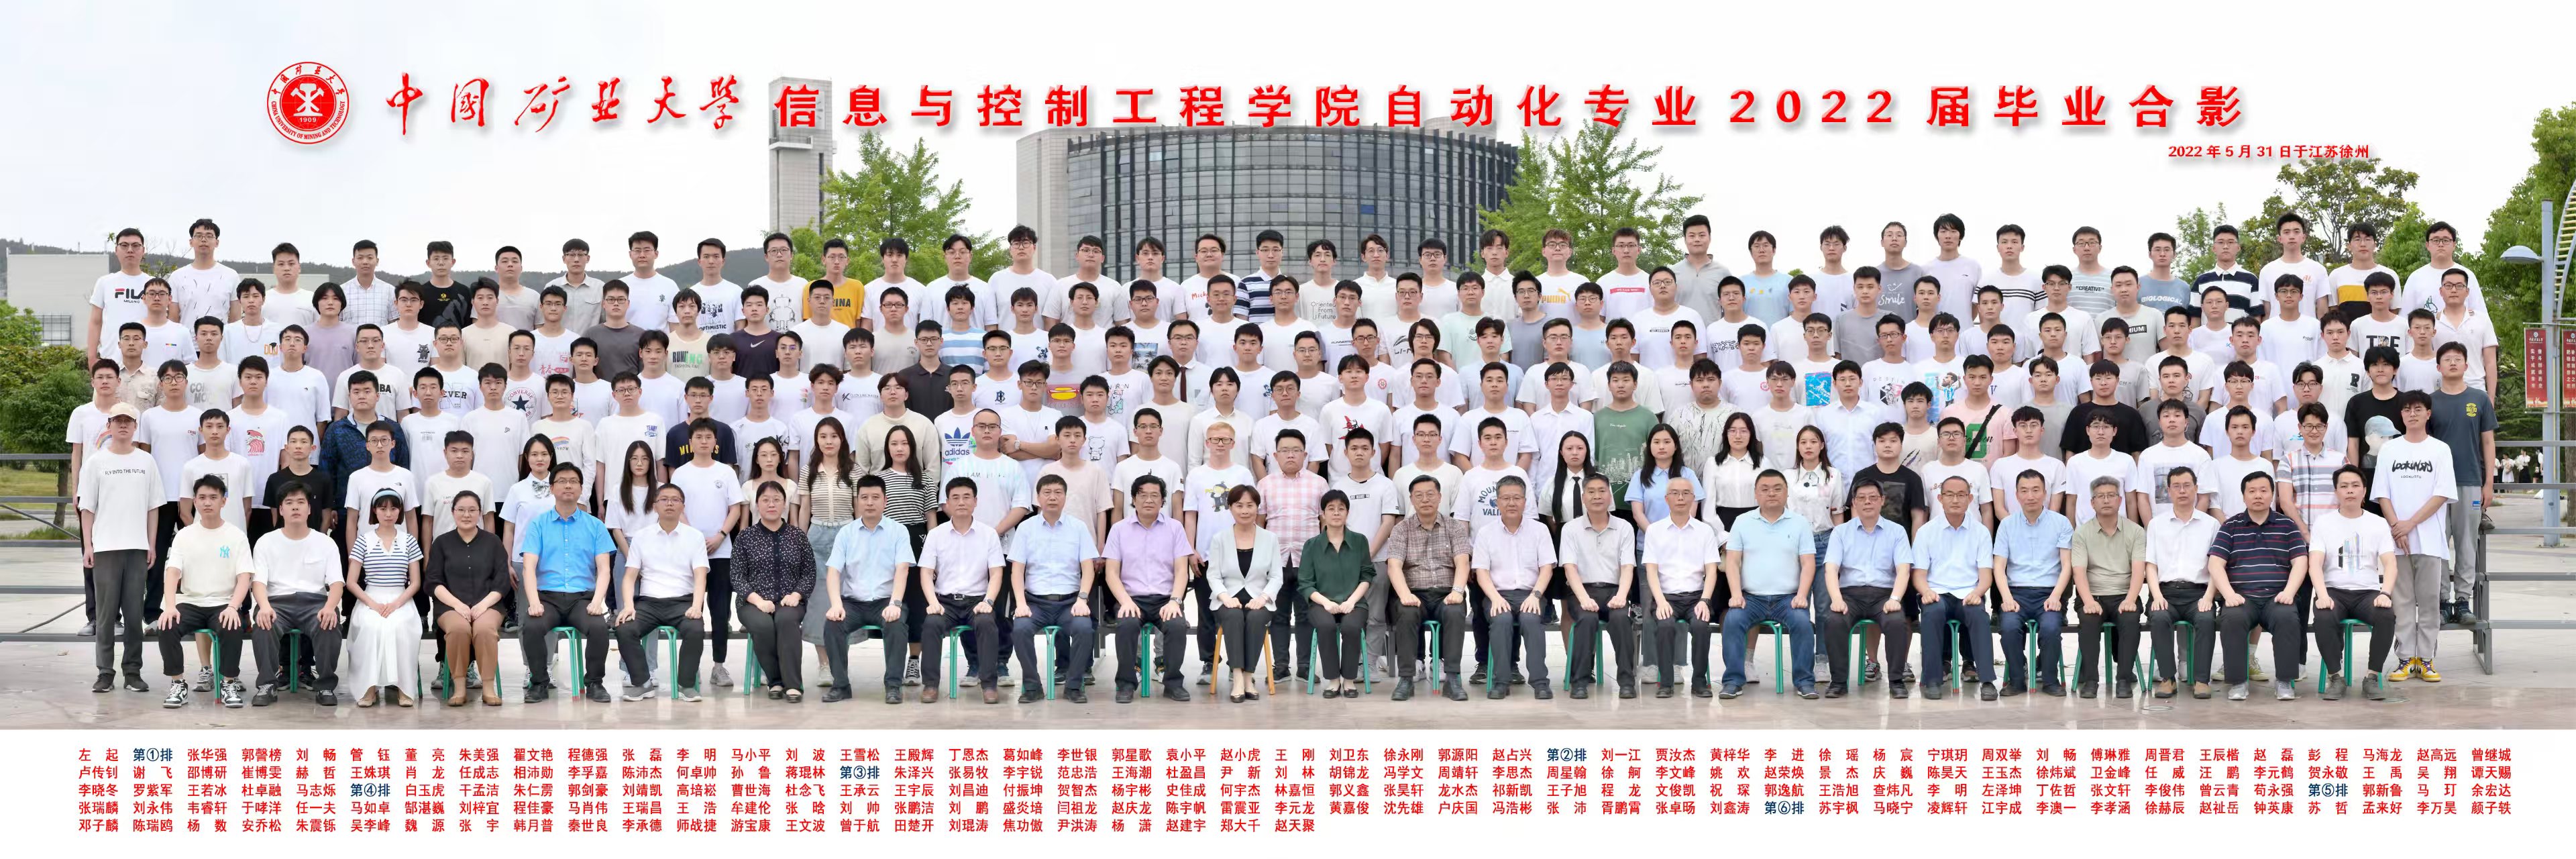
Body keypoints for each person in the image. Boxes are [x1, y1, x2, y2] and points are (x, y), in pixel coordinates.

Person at [2373, 391, 2457, 683]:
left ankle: (2427, 659)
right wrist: (2397, 527)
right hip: (2397, 541)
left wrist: (2410, 524)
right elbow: (2382, 494)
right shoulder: (2389, 449)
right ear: (2401, 415)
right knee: (2402, 602)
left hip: (2429, 540)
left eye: (2418, 409)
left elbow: (2442, 494)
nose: (2412, 414)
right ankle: (2406, 658)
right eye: (2407, 409)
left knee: (2430, 601)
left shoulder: (2440, 450)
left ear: (2428, 414)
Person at [516, 462, 616, 702]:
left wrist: (598, 602)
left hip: (581, 600)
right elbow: (529, 567)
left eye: (573, 481)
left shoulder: (595, 526)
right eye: (562, 481)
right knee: (531, 626)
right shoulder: (538, 525)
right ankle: (539, 683)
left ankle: (595, 683)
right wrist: (534, 602)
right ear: (552, 488)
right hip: (547, 598)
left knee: (599, 627)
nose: (568, 485)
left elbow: (604, 569)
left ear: (581, 488)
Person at [2207, 472, 2311, 701]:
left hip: (2278, 596)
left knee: (2287, 617)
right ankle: (2238, 682)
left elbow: (2301, 561)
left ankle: (2285, 681)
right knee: (2232, 618)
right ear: (2244, 496)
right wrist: (2229, 595)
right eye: (2252, 491)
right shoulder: (2231, 526)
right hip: (2242, 597)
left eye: (2264, 491)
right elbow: (2215, 563)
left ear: (2272, 495)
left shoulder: (2287, 525)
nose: (2258, 495)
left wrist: (2289, 592)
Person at [1719, 470, 1818, 699]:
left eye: (1777, 488)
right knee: (1732, 621)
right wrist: (1736, 594)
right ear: (1756, 494)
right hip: (1751, 598)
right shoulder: (1742, 522)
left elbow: (1808, 563)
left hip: (1788, 598)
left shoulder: (1800, 523)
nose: (1771, 493)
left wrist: (1802, 595)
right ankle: (1733, 681)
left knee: (1803, 623)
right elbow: (1732, 562)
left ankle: (1804, 681)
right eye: (1764, 489)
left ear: (1787, 492)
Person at [821, 474, 917, 704]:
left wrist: (895, 603)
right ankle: (841, 686)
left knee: (896, 624)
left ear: (885, 501)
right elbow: (833, 571)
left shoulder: (899, 531)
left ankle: (893, 686)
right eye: (864, 497)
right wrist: (836, 605)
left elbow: (902, 569)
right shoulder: (846, 533)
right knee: (832, 625)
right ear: (857, 501)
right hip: (853, 603)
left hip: (886, 601)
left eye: (875, 497)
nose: (870, 502)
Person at [1102, 474, 1195, 703]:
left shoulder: (1175, 528)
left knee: (1176, 625)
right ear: (1134, 499)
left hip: (1166, 599)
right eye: (1143, 495)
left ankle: (1173, 683)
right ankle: (1125, 684)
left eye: (1155, 495)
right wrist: (1125, 601)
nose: (1149, 500)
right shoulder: (1119, 529)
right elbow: (1111, 573)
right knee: (1126, 624)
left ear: (1163, 500)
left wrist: (1175, 601)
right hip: (1131, 598)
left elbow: (1182, 571)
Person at [1007, 473, 1100, 703]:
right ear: (1038, 498)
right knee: (1020, 629)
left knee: (1084, 628)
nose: (1052, 497)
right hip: (1036, 603)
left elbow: (1088, 569)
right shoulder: (1026, 528)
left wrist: (1082, 599)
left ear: (1065, 498)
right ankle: (1032, 687)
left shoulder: (1078, 527)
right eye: (1047, 493)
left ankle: (1074, 686)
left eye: (1058, 493)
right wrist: (1021, 604)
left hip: (1070, 602)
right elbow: (1017, 571)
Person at [2310, 465, 2400, 701]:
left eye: (2355, 485)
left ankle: (2372, 677)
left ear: (2364, 491)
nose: (2350, 490)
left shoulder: (2378, 523)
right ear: (2336, 492)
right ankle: (2336, 677)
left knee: (2386, 615)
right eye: (2344, 486)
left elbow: (2390, 564)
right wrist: (2322, 595)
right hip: (2333, 591)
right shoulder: (2323, 523)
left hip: (2367, 593)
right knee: (2323, 616)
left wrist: (2385, 593)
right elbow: (2314, 564)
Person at [1382, 475, 1474, 702]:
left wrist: (1458, 591)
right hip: (1415, 594)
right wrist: (1405, 595)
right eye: (1419, 495)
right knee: (1406, 612)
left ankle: (1452, 678)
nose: (1425, 500)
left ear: (1440, 497)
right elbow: (1394, 566)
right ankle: (1406, 679)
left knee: (1455, 612)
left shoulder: (1454, 527)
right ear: (1411, 499)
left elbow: (1463, 562)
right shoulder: (1401, 529)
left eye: (1430, 494)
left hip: (1447, 593)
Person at [918, 477, 1008, 704]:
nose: (961, 502)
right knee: (931, 624)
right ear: (947, 503)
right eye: (955, 498)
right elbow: (926, 573)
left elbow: (996, 573)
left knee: (987, 623)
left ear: (975, 501)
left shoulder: (988, 534)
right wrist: (933, 602)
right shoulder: (936, 534)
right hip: (945, 602)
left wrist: (988, 601)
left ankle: (989, 685)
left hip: (976, 601)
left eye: (967, 497)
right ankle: (930, 685)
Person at [1820, 481, 1913, 699]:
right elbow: (1831, 569)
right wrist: (1836, 599)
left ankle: (1896, 681)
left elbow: (1904, 570)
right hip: (1850, 595)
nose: (1867, 502)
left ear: (1882, 500)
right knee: (1833, 620)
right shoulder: (1841, 532)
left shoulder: (1896, 531)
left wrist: (1895, 598)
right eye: (1861, 498)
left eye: (1873, 497)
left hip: (1884, 596)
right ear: (1853, 503)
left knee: (1897, 622)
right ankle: (1839, 682)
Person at [2426, 342, 2496, 626]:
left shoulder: (2479, 399)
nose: (2453, 363)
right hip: (2436, 487)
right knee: (2439, 543)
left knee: (2467, 543)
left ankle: (2463, 600)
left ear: (2467, 366)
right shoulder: (2429, 403)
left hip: (2470, 482)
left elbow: (2488, 442)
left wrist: (2489, 483)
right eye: (2447, 359)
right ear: (2438, 367)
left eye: (2458, 359)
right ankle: (2443, 601)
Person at [1912, 476, 1997, 701]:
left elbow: (1986, 576)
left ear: (1970, 499)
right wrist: (1926, 592)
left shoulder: (1980, 532)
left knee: (1979, 616)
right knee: (1932, 613)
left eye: (1961, 495)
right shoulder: (1926, 532)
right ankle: (1932, 679)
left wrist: (1977, 593)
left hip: (1969, 593)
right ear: (1940, 499)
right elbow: (1918, 575)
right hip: (1936, 592)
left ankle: (1987, 680)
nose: (1955, 500)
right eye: (1949, 495)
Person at [1991, 470, 2075, 697]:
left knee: (2051, 629)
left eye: (2036, 490)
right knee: (2009, 628)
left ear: (2045, 493)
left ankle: (2050, 680)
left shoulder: (2061, 523)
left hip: (2049, 593)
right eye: (2025, 491)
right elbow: (1999, 566)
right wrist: (2007, 598)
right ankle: (2017, 680)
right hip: (2016, 593)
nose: (2031, 496)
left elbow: (2067, 565)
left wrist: (2056, 596)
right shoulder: (2007, 525)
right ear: (2017, 495)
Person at [2143, 467, 2222, 699]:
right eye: (2176, 486)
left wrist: (2209, 597)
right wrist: (2157, 596)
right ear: (2169, 491)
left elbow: (2216, 566)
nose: (2182, 491)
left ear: (2196, 489)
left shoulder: (2211, 525)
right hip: (2165, 592)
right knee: (2159, 618)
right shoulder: (2156, 524)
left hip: (2199, 593)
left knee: (2206, 619)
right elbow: (2151, 565)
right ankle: (2168, 679)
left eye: (2187, 486)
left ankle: (2201, 680)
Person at [1642, 475, 1724, 698]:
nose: (1681, 498)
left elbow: (1712, 570)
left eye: (1686, 493)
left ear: (1693, 499)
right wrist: (1660, 602)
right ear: (1667, 499)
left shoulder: (1704, 531)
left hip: (1697, 596)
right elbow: (1651, 570)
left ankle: (1699, 683)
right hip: (1666, 596)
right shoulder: (1655, 531)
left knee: (1701, 626)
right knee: (1665, 625)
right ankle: (1666, 683)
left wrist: (1705, 601)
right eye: (1675, 493)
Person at [426, 491, 509, 707]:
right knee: (458, 629)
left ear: (480, 513)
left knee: (485, 630)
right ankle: (460, 686)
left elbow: (502, 582)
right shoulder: (442, 543)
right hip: (450, 606)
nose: (466, 515)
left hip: (488, 604)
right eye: (461, 510)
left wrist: (483, 605)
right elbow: (433, 582)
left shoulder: (493, 542)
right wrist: (457, 605)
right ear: (453, 512)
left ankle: (488, 687)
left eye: (472, 510)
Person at [2068, 476, 2147, 699]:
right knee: (2089, 620)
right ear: (2092, 503)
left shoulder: (2136, 531)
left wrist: (2131, 599)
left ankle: (2124, 679)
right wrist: (2088, 601)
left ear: (2120, 500)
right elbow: (2079, 572)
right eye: (2100, 496)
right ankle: (2091, 680)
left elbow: (2138, 570)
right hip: (2093, 595)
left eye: (2111, 495)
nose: (2106, 500)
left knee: (2130, 620)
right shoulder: (2082, 533)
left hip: (2124, 594)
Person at [342, 489, 423, 708]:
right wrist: (373, 604)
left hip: (401, 599)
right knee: (372, 627)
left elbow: (415, 582)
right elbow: (351, 582)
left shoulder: (409, 541)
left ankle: (404, 689)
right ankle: (369, 689)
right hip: (370, 599)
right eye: (383, 508)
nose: (388, 513)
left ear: (400, 511)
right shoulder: (363, 540)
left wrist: (396, 604)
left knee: (400, 627)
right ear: (374, 511)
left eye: (394, 508)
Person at [735, 481, 815, 701]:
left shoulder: (798, 536)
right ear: (756, 505)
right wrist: (758, 601)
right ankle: (776, 680)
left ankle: (793, 684)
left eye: (777, 500)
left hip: (790, 601)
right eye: (766, 500)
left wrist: (796, 595)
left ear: (785, 504)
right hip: (752, 602)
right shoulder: (745, 537)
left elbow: (809, 573)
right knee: (763, 625)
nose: (771, 504)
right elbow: (737, 577)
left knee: (786, 620)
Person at [1206, 485, 1282, 703]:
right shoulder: (1220, 539)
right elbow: (1213, 576)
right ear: (1230, 507)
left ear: (1258, 508)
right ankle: (1238, 676)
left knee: (1257, 618)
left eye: (1250, 505)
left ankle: (1249, 677)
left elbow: (1276, 576)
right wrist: (1225, 597)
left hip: (1259, 598)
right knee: (1233, 616)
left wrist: (1263, 598)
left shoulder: (1270, 538)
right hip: (1228, 598)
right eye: (1239, 505)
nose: (1245, 510)